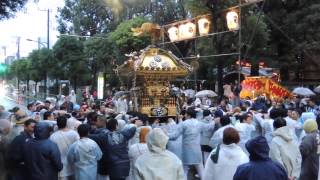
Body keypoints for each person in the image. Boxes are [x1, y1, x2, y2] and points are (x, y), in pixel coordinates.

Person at [168, 107, 215, 180]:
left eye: (186, 114)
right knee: (201, 169)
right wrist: (214, 121)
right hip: (196, 150)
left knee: (184, 171)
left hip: (186, 150)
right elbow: (208, 127)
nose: (185, 115)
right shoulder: (199, 123)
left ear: (189, 115)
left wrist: (164, 135)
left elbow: (174, 136)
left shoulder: (184, 124)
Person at [50, 116, 79, 180]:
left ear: (57, 124)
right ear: (66, 123)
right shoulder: (74, 134)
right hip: (74, 165)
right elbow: (78, 149)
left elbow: (52, 152)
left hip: (61, 167)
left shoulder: (53, 136)